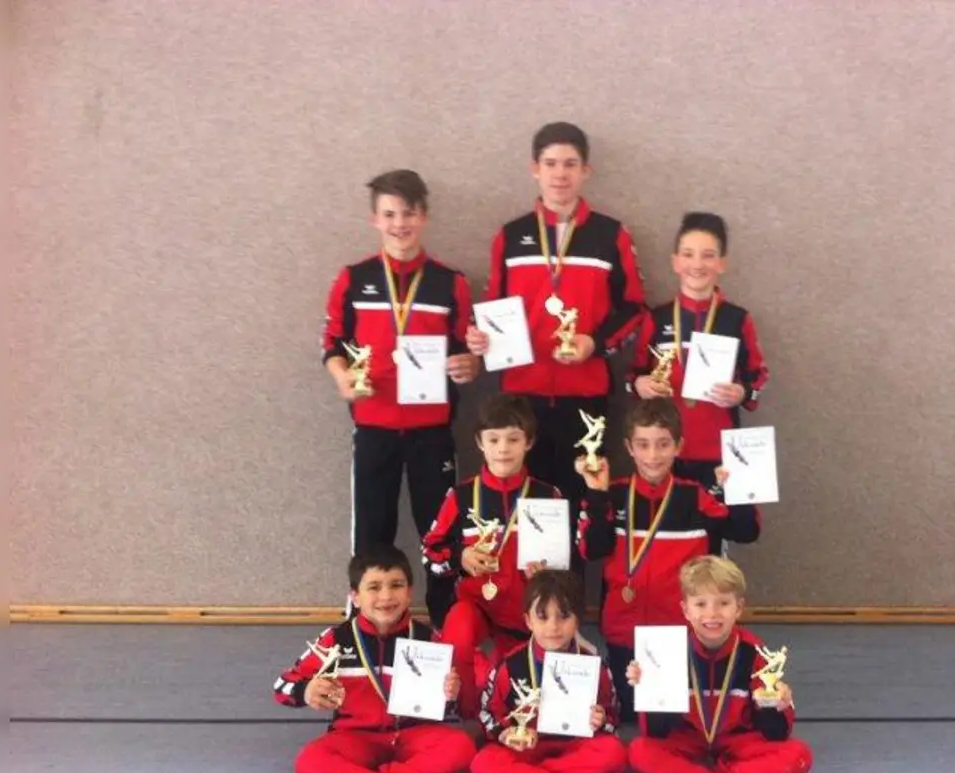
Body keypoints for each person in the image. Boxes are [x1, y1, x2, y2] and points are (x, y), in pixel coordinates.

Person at [466, 121, 646, 594]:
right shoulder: (512, 236)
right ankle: (528, 613)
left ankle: (569, 608)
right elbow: (493, 306)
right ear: (534, 170)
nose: (559, 175)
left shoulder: (611, 235)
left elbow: (633, 308)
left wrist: (595, 344)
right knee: (525, 502)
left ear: (586, 171)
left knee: (582, 500)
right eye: (550, 164)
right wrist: (482, 339)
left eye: (570, 164)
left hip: (585, 398)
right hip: (519, 396)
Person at [319, 169, 478, 627]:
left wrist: (470, 366)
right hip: (374, 428)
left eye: (408, 213)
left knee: (442, 533)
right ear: (375, 219)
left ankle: (450, 624)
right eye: (389, 214)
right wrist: (343, 377)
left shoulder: (451, 283)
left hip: (433, 432)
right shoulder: (353, 279)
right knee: (372, 532)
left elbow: (469, 354)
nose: (399, 224)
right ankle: (364, 626)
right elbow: (330, 344)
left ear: (423, 216)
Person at [576, 398, 760, 716]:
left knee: (672, 720)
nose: (652, 455)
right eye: (643, 445)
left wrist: (739, 487)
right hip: (624, 630)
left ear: (678, 447)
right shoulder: (614, 494)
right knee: (628, 714)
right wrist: (595, 493)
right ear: (629, 448)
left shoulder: (696, 496)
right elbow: (592, 550)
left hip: (680, 635)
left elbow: (746, 531)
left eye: (663, 445)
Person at [273, 545, 474, 773]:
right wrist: (306, 690)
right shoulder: (335, 640)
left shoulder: (427, 638)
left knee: (461, 746)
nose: (386, 596)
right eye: (374, 587)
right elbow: (282, 685)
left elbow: (445, 708)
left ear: (409, 592)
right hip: (355, 737)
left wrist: (450, 695)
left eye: (396, 585)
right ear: (354, 597)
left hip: (412, 736)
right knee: (308, 761)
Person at [626, 555, 813, 773]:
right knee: (639, 751)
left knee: (799, 756)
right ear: (685, 610)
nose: (712, 614)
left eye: (723, 603)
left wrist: (776, 705)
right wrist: (647, 688)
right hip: (688, 741)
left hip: (738, 744)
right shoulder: (666, 652)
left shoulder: (754, 653)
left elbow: (776, 734)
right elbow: (655, 732)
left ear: (738, 608)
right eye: (700, 604)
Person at [628, 212, 768, 554]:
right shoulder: (656, 319)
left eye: (708, 255)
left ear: (722, 263)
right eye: (688, 254)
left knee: (712, 542)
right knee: (664, 542)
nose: (697, 264)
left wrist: (741, 392)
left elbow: (758, 378)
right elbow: (632, 375)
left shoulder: (737, 319)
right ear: (676, 262)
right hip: (662, 454)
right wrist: (641, 385)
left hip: (717, 455)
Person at [422, 394, 561, 718]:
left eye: (513, 439)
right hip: (478, 605)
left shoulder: (547, 495)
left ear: (529, 442)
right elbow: (430, 550)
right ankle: (470, 715)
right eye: (494, 439)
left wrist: (548, 574)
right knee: (456, 631)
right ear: (479, 443)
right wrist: (460, 556)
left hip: (525, 614)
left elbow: (564, 567)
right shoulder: (460, 495)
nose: (503, 448)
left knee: (517, 692)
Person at [468, 568, 628, 773]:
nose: (553, 627)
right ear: (527, 621)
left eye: (563, 616)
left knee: (614, 754)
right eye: (543, 617)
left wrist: (601, 720)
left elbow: (613, 716)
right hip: (526, 750)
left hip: (574, 748)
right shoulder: (509, 665)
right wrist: (506, 733)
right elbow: (488, 714)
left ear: (578, 619)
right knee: (482, 764)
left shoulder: (593, 665)